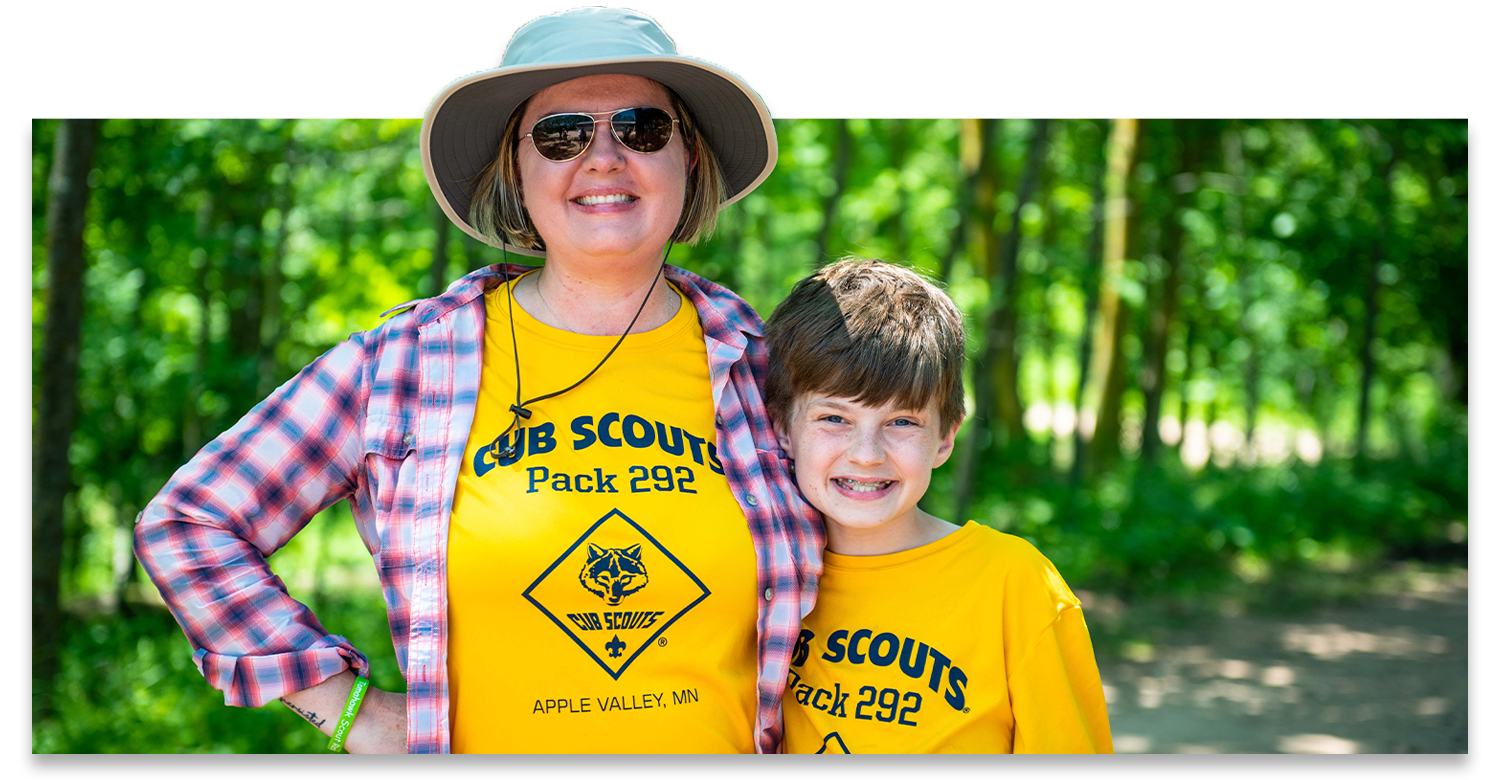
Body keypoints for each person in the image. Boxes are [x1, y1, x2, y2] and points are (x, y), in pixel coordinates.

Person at [134, 7, 823, 754]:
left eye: (641, 128)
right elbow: (189, 525)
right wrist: (348, 710)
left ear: (687, 156)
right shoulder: (401, 364)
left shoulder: (770, 369)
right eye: (561, 135)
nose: (603, 157)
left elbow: (880, 558)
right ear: (515, 167)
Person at [762, 258, 1113, 753]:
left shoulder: (1014, 586)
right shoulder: (764, 577)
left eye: (902, 422)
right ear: (781, 427)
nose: (866, 454)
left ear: (946, 436)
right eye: (834, 418)